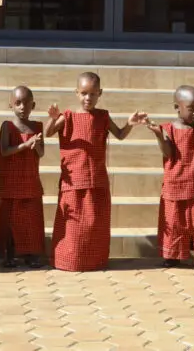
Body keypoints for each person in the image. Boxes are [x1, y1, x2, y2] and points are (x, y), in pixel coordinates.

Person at [47, 72, 146, 271]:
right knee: (73, 227)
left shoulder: (103, 116)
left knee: (95, 224)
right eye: (84, 93)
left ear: (100, 93)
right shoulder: (68, 117)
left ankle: (94, 261)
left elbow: (119, 135)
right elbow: (48, 132)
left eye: (93, 94)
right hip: (73, 181)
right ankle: (68, 261)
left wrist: (130, 124)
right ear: (76, 93)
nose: (88, 98)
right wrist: (52, 119)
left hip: (97, 180)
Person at [147, 86, 194, 272]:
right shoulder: (167, 128)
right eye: (191, 108)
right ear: (177, 107)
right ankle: (173, 255)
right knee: (174, 223)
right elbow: (168, 153)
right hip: (175, 183)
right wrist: (158, 135)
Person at [0, 86, 46, 268]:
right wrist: (26, 145)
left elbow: (41, 153)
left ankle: (31, 254)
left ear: (33, 105)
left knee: (31, 220)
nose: (22, 107)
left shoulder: (37, 126)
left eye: (26, 103)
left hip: (30, 180)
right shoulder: (7, 126)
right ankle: (9, 254)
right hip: (11, 181)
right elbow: (4, 150)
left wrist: (37, 145)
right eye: (18, 103)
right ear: (11, 104)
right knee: (10, 220)